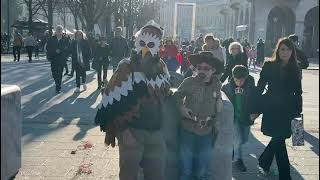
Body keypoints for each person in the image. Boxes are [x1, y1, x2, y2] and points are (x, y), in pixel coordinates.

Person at [95, 20, 171, 180]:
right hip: (133, 133)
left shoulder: (161, 67)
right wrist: (124, 131)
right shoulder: (126, 68)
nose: (145, 48)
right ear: (136, 41)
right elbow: (109, 102)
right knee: (129, 175)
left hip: (156, 133)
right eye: (142, 42)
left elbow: (166, 94)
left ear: (158, 46)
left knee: (157, 174)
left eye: (151, 44)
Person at [256, 38, 302, 180]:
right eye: (282, 49)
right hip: (272, 107)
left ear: (292, 52)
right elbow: (260, 86)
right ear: (278, 50)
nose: (285, 52)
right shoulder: (269, 65)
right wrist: (255, 106)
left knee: (279, 138)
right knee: (279, 139)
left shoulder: (295, 67)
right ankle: (284, 175)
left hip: (288, 109)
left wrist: (298, 112)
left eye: (288, 49)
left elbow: (298, 91)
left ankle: (264, 161)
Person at [174, 51, 224, 180]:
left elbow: (219, 107)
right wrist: (181, 107)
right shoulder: (189, 81)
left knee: (202, 172)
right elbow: (176, 96)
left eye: (206, 68)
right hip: (188, 129)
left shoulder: (217, 84)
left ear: (213, 70)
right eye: (199, 68)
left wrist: (219, 101)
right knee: (186, 171)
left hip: (207, 132)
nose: (202, 71)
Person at [221, 65, 258, 172]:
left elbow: (257, 102)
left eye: (242, 80)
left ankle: (233, 150)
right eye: (237, 80)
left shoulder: (251, 88)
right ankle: (238, 160)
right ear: (233, 77)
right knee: (238, 138)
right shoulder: (226, 87)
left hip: (246, 117)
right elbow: (222, 101)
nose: (239, 82)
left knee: (244, 139)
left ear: (246, 78)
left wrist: (255, 113)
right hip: (233, 117)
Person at [46, 25, 70, 94]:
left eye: (60, 30)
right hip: (53, 58)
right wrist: (54, 51)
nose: (59, 31)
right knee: (54, 73)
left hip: (62, 59)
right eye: (58, 30)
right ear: (55, 31)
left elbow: (68, 49)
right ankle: (57, 82)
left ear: (62, 31)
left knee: (59, 73)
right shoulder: (51, 39)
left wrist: (64, 54)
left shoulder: (65, 39)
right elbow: (48, 48)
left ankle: (58, 87)